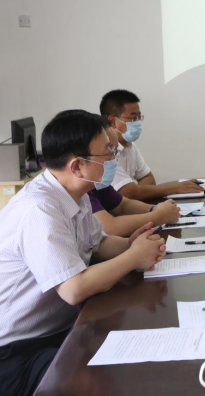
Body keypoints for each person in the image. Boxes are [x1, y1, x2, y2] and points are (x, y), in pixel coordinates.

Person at [0, 110, 166, 396]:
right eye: (108, 152)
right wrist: (133, 257)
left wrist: (133, 244)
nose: (114, 158)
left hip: (59, 331)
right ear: (77, 166)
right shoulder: (39, 209)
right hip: (16, 352)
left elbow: (98, 243)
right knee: (99, 381)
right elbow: (73, 289)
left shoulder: (77, 194)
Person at [99, 89, 202, 200]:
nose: (137, 122)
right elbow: (128, 193)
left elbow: (148, 179)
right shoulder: (104, 152)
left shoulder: (130, 146)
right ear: (113, 121)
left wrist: (137, 191)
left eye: (139, 117)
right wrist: (175, 187)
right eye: (133, 118)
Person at [88, 128, 180, 236]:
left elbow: (123, 205)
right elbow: (111, 227)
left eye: (115, 152)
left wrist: (154, 208)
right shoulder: (82, 190)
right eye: (109, 152)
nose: (113, 158)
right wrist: (160, 216)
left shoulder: (98, 183)